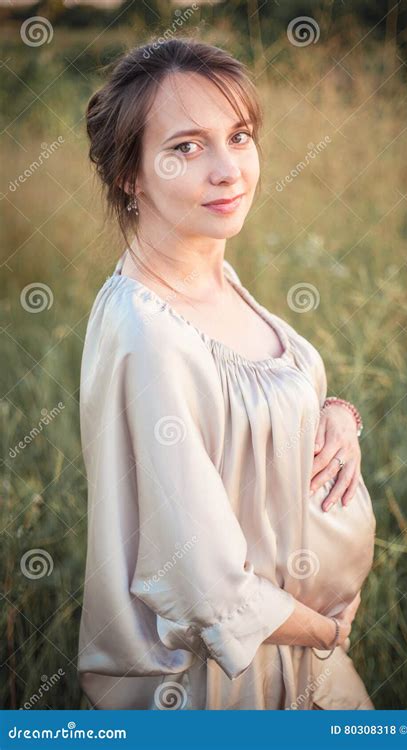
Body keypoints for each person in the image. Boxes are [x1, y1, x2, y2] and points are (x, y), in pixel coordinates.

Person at [78, 37, 376, 710]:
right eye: (185, 147)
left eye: (238, 137)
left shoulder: (215, 275)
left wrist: (335, 415)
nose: (227, 171)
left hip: (303, 666)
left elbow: (246, 405)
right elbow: (206, 589)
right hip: (231, 687)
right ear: (131, 175)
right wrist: (328, 631)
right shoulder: (147, 333)